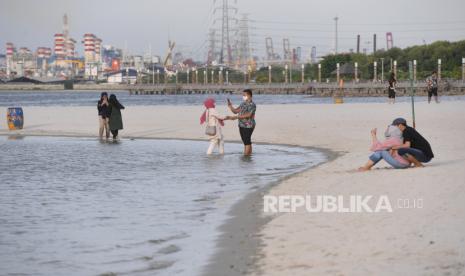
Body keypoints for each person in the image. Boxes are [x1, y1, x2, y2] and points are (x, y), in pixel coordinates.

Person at [226, 89, 256, 156]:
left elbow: (249, 115)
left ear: (249, 95)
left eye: (244, 95)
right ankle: (249, 155)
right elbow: (235, 111)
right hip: (241, 125)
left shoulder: (252, 104)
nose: (243, 96)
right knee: (245, 140)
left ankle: (245, 156)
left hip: (249, 125)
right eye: (243, 95)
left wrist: (236, 117)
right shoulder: (243, 103)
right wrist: (230, 106)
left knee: (246, 141)